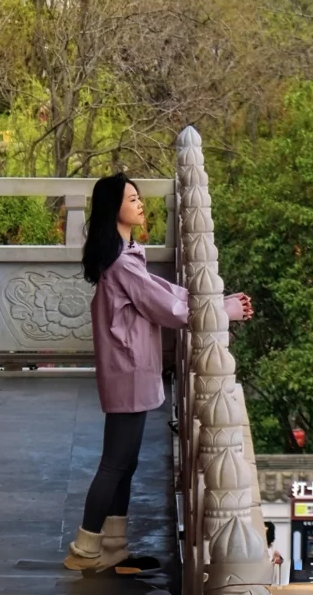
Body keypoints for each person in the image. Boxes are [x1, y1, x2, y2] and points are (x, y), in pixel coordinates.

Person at [64, 173, 253, 573]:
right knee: (115, 462)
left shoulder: (124, 253)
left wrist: (217, 300)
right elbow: (165, 308)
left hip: (130, 367)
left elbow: (162, 292)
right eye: (131, 199)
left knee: (125, 462)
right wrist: (224, 311)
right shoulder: (120, 262)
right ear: (112, 207)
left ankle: (112, 545)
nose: (139, 204)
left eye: (138, 198)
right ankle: (84, 550)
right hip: (127, 370)